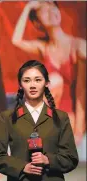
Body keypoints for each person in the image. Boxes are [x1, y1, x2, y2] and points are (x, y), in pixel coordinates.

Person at [12, 1, 86, 145]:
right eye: (44, 11)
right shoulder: (44, 47)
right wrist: (28, 7)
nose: (51, 11)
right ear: (38, 23)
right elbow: (16, 40)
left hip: (71, 114)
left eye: (53, 7)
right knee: (50, 80)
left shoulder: (79, 47)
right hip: (48, 112)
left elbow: (81, 92)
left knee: (53, 79)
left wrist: (78, 130)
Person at [0, 60, 79, 181]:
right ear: (20, 85)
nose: (32, 85)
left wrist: (48, 160)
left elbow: (71, 158)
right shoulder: (7, 118)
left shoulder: (61, 118)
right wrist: (23, 167)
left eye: (38, 80)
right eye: (27, 80)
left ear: (47, 83)